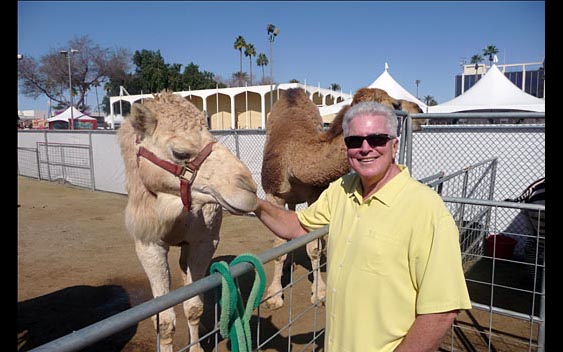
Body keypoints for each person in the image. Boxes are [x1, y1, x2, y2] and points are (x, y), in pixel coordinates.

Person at [252, 101, 472, 351]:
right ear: (345, 148)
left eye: (377, 139)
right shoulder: (342, 190)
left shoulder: (428, 210)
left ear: (394, 145)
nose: (365, 148)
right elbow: (298, 226)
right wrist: (253, 202)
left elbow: (441, 312)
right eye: (354, 141)